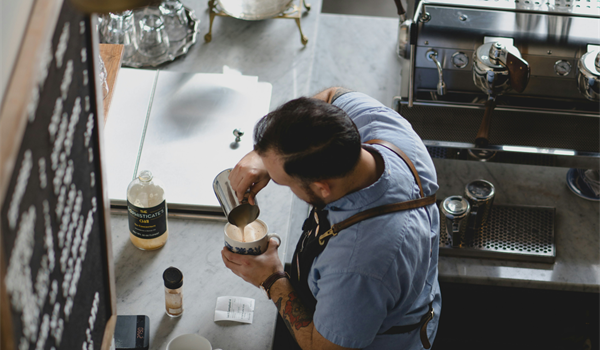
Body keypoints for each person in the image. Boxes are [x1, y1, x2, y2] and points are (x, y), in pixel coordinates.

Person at [221, 87, 441, 350]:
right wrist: (264, 154)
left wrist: (271, 279)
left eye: (284, 182)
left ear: (322, 187)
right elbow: (330, 96)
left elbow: (322, 347)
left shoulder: (357, 266)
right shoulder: (383, 128)